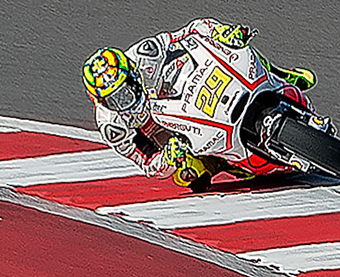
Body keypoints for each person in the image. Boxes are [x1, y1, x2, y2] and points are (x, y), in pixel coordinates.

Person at [82, 19, 315, 189]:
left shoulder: (145, 53)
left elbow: (190, 31)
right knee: (187, 175)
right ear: (101, 101)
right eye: (116, 99)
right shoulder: (112, 126)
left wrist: (220, 33)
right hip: (168, 132)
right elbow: (146, 163)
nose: (126, 100)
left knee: (236, 48)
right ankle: (223, 162)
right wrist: (166, 159)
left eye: (126, 89)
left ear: (132, 73)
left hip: (183, 92)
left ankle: (278, 74)